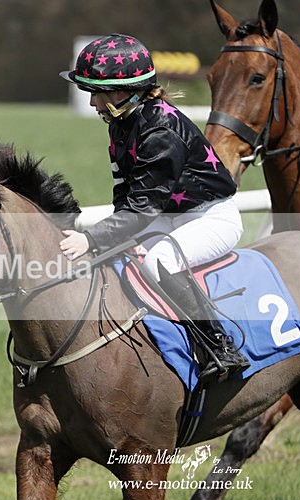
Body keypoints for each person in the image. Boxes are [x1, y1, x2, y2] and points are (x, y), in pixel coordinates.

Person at [58, 33, 249, 383]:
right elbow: (125, 192)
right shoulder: (121, 122)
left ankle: (219, 346)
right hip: (166, 214)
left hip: (210, 217)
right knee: (118, 259)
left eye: (97, 94)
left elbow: (142, 209)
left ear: (125, 91)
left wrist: (91, 239)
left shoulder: (161, 128)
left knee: (161, 261)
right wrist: (111, 239)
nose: (92, 103)